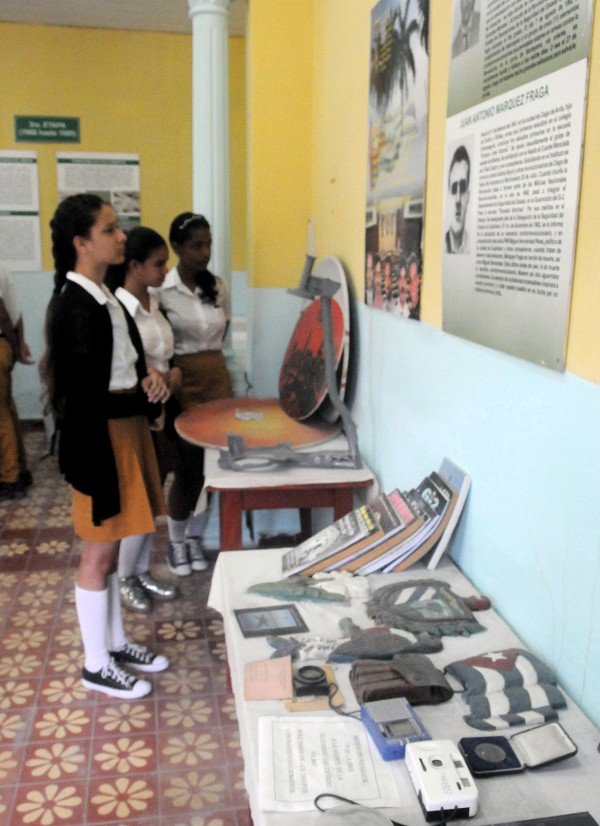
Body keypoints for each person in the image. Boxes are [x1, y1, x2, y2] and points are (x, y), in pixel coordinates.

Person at [41, 193, 171, 699]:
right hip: (99, 441)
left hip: (123, 431)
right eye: (110, 230)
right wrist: (140, 402)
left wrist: (152, 386)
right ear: (81, 243)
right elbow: (85, 399)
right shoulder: (75, 305)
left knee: (115, 549)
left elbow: (129, 368)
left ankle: (114, 642)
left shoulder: (107, 295)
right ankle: (96, 663)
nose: (121, 237)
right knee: (97, 557)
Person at [105, 226, 181, 613]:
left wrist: (172, 376)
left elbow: (171, 358)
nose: (166, 270)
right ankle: (124, 576)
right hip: (137, 411)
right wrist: (150, 384)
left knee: (153, 497)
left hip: (164, 407)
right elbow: (123, 366)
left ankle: (141, 568)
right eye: (158, 263)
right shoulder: (116, 309)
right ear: (134, 266)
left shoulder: (156, 302)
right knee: (135, 500)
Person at [154, 212, 233, 576]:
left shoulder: (218, 286)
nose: (204, 253)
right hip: (182, 381)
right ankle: (175, 542)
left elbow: (224, 328)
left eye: (208, 244)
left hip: (217, 378)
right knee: (187, 466)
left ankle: (197, 539)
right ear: (177, 248)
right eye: (196, 245)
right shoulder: (161, 291)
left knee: (215, 466)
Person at [0, 264, 34, 500]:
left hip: (1, 343)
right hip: (4, 345)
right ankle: (19, 470)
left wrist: (15, 344)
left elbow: (2, 311)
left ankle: (9, 478)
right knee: (7, 409)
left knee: (0, 416)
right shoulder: (1, 267)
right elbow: (15, 312)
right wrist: (17, 344)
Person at [445, 145, 471, 255]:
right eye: (454, 188)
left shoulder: (471, 247)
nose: (458, 200)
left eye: (463, 187)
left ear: (468, 196)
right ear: (448, 196)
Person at [407, 254, 422, 320]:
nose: (412, 271)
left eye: (414, 269)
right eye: (411, 269)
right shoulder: (408, 284)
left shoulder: (419, 282)